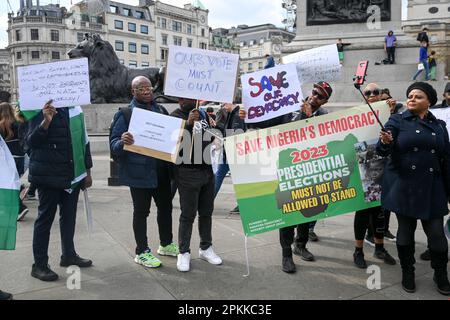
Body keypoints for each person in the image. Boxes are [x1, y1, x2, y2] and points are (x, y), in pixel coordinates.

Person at [239, 82, 333, 273]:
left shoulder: (325, 117)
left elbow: (323, 140)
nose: (315, 97)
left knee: (308, 212)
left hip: (309, 172)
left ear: (325, 101)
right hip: (287, 171)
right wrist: (246, 116)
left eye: (320, 96)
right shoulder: (290, 109)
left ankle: (301, 244)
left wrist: (308, 118)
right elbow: (266, 123)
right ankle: (286, 254)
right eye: (314, 92)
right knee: (288, 214)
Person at [378, 82, 450, 295]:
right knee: (405, 234)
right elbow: (383, 150)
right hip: (404, 186)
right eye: (410, 95)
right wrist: (386, 142)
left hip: (432, 187)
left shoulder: (439, 126)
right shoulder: (397, 120)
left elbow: (445, 158)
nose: (412, 99)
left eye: (418, 96)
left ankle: (440, 274)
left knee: (437, 236)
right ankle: (407, 272)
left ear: (429, 101)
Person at [110, 76, 179, 269]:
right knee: (141, 212)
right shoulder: (125, 114)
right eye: (141, 88)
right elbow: (113, 144)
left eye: (149, 87)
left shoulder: (161, 110)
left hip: (162, 172)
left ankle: (165, 244)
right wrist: (122, 141)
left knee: (165, 209)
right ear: (133, 92)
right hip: (139, 173)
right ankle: (141, 252)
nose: (147, 91)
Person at [26, 99, 93, 282]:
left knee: (69, 216)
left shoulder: (75, 108)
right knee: (45, 219)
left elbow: (84, 141)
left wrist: (87, 171)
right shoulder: (38, 108)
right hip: (48, 175)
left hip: (72, 174)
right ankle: (39, 265)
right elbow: (31, 142)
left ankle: (68, 255)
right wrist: (46, 121)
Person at [171, 98, 222, 272]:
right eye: (186, 98)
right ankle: (183, 251)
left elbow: (216, 134)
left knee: (206, 212)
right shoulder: (175, 116)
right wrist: (187, 125)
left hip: (207, 171)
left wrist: (227, 117)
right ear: (180, 100)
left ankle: (205, 248)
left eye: (193, 98)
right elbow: (173, 145)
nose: (190, 100)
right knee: (188, 214)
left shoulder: (203, 115)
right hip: (187, 172)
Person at [353, 83, 396, 269]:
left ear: (382, 95)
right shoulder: (355, 114)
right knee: (362, 211)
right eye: (367, 92)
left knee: (380, 212)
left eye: (375, 92)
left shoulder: (390, 113)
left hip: (383, 166)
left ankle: (379, 247)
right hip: (363, 165)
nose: (371, 94)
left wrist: (392, 112)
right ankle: (358, 250)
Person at [213, 102, 246, 214]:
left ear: (231, 102)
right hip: (230, 153)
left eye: (224, 103)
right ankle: (242, 205)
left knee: (221, 176)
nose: (222, 105)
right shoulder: (233, 114)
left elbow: (236, 134)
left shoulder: (237, 115)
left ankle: (207, 201)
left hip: (233, 154)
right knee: (221, 176)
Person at [0, 103, 28, 221]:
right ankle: (20, 189)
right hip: (20, 157)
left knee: (7, 183)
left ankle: (19, 208)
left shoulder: (1, 125)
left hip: (8, 158)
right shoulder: (18, 122)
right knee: (12, 181)